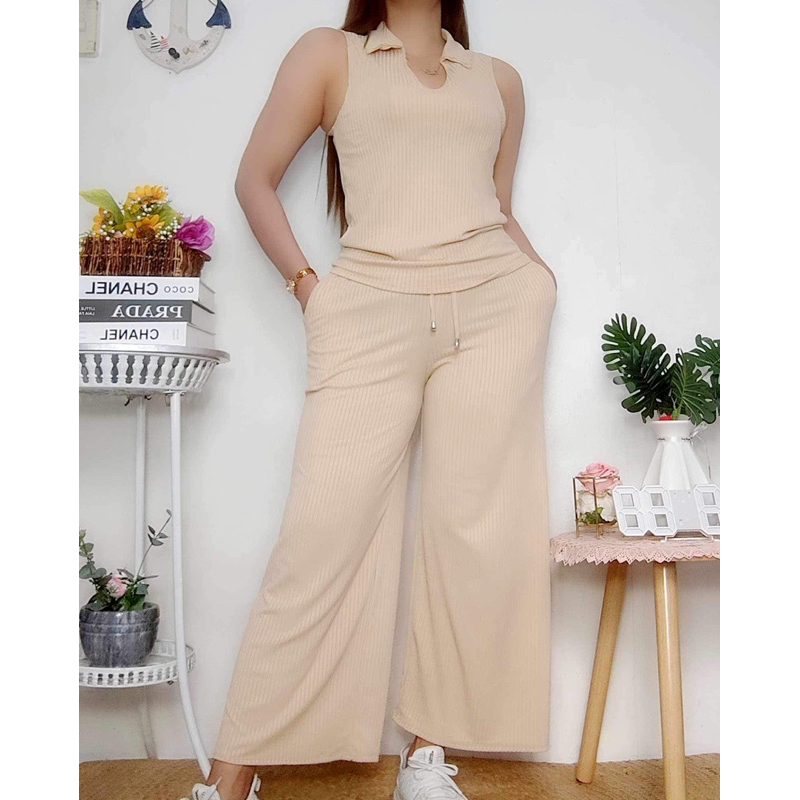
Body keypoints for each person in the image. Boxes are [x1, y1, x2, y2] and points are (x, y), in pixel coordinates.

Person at [182, 2, 557, 799]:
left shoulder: (499, 82)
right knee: (321, 533)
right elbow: (253, 179)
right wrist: (309, 290)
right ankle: (233, 772)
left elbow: (498, 206)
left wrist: (539, 282)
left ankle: (426, 754)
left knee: (474, 530)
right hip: (368, 309)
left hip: (495, 306)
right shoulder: (330, 55)